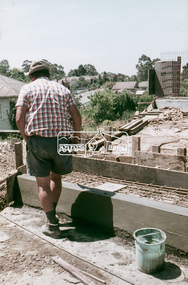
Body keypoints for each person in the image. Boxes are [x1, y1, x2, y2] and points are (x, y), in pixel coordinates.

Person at [16, 60, 82, 238]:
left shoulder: (27, 89)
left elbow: (19, 118)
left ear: (31, 76)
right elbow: (77, 116)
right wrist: (75, 138)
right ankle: (52, 219)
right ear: (49, 74)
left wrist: (26, 137)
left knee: (43, 184)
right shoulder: (63, 90)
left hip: (39, 140)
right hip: (62, 140)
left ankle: (52, 224)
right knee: (56, 178)